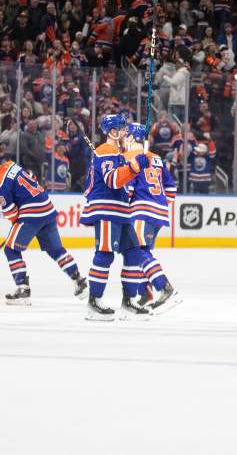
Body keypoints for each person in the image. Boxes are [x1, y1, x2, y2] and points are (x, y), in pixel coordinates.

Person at [0, 149, 87, 306]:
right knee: (56, 250)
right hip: (47, 208)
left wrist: (17, 225)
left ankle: (23, 289)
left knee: (11, 249)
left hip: (31, 214)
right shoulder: (10, 165)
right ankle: (79, 280)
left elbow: (12, 212)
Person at [80, 113, 154, 321]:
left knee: (134, 253)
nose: (126, 132)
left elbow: (125, 180)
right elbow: (112, 180)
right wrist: (134, 166)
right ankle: (94, 303)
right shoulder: (105, 151)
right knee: (105, 253)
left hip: (121, 211)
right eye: (122, 129)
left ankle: (129, 302)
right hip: (106, 209)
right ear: (113, 131)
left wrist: (136, 165)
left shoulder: (118, 153)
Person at [123, 123, 180, 314]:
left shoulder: (129, 157)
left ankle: (164, 287)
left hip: (142, 210)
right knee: (142, 251)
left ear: (131, 138)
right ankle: (145, 292)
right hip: (158, 211)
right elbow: (171, 187)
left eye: (125, 136)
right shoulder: (156, 158)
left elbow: (128, 189)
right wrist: (161, 204)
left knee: (138, 252)